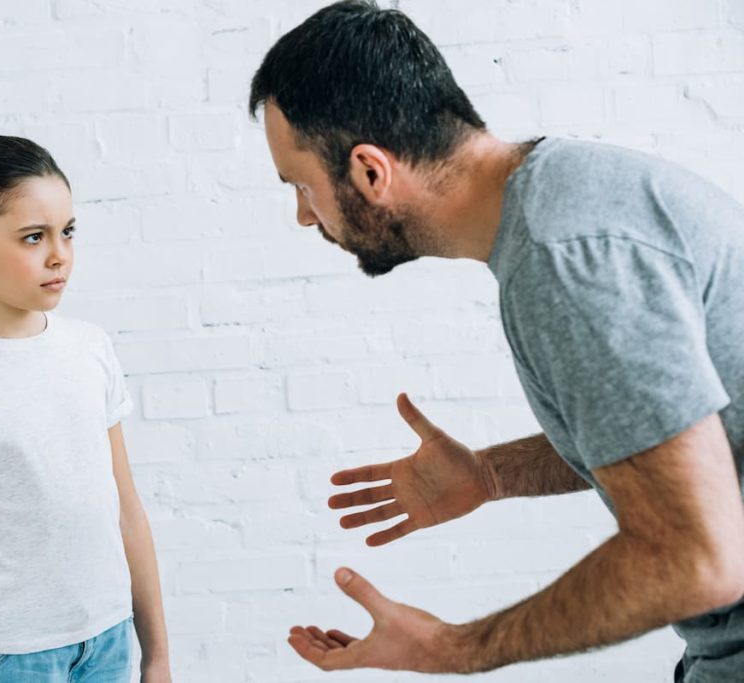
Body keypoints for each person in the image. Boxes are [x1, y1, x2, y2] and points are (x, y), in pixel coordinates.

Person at [249, 2, 744, 680]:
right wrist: (490, 474)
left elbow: (696, 559)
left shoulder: (563, 259)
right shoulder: (570, 197)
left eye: (302, 187)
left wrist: (451, 648)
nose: (304, 215)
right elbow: (678, 440)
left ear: (370, 171)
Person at [0, 135, 171, 683]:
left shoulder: (90, 348)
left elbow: (126, 509)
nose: (59, 253)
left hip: (109, 640)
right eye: (33, 237)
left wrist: (156, 654)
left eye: (67, 232)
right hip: (10, 658)